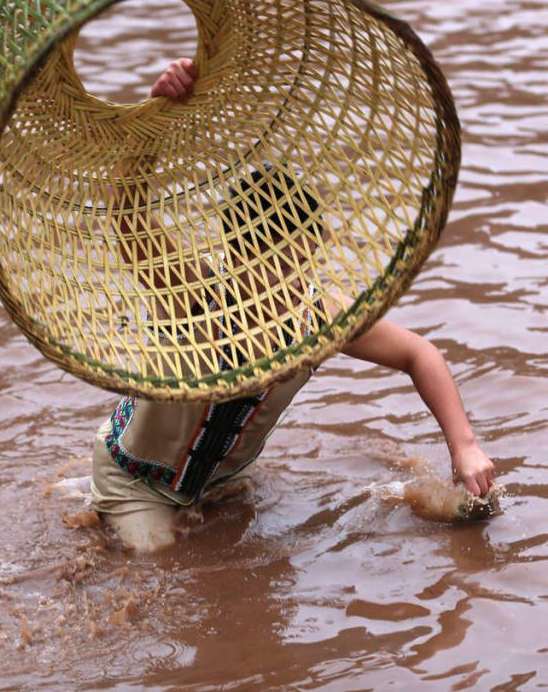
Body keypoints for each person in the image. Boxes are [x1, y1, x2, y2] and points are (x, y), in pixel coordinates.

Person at [90, 59, 495, 553]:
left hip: (220, 478)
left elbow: (418, 354)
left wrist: (464, 445)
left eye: (295, 259)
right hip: (137, 479)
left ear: (312, 250)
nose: (279, 278)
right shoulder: (193, 297)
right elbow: (127, 213)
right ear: (232, 251)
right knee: (164, 562)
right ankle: (99, 511)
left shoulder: (317, 316)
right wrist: (157, 116)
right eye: (263, 257)